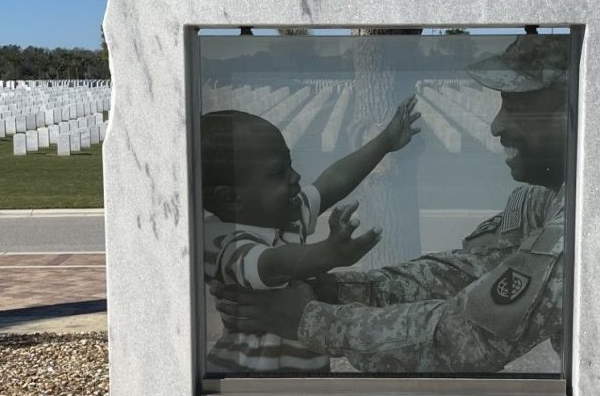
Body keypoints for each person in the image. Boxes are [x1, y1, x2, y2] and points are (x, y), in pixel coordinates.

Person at [212, 34, 570, 375]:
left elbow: (469, 336)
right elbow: (469, 272)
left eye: (519, 105)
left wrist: (311, 319)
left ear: (574, 112)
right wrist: (334, 290)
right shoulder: (541, 198)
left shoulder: (572, 230)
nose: (496, 125)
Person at [201, 96, 420, 373]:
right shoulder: (219, 239)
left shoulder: (286, 217)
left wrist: (385, 143)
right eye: (278, 173)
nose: (295, 177)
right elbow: (271, 265)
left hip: (305, 381)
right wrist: (328, 254)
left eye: (290, 165)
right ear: (231, 198)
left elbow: (332, 182)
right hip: (247, 386)